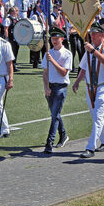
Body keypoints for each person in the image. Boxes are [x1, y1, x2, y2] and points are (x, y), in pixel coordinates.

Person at [72, 22, 104, 159]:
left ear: (102, 35)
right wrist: (77, 81)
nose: (91, 35)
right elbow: (84, 67)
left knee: (97, 115)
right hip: (90, 86)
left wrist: (93, 51)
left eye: (94, 33)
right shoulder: (90, 48)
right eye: (91, 33)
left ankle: (90, 147)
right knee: (95, 115)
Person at [41, 26, 72, 154]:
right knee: (56, 114)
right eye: (52, 39)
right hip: (51, 87)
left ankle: (49, 143)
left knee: (54, 116)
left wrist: (52, 60)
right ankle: (63, 135)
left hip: (61, 88)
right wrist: (46, 87)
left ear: (62, 39)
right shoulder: (48, 53)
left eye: (56, 39)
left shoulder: (67, 54)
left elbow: (64, 72)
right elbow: (45, 73)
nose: (54, 41)